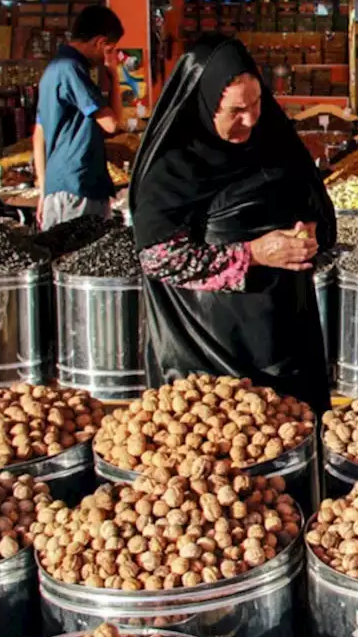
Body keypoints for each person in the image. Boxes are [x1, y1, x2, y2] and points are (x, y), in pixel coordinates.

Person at [129, 34, 334, 412]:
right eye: (236, 111)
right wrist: (253, 254)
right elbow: (159, 257)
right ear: (203, 106)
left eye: (257, 102)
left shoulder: (274, 140)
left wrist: (312, 232)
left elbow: (317, 207)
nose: (252, 119)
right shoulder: (174, 168)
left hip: (287, 334)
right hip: (212, 351)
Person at [33, 5, 124, 229]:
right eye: (111, 48)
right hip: (78, 183)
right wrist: (114, 74)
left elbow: (38, 135)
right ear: (100, 43)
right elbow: (112, 123)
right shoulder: (72, 69)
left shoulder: (54, 68)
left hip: (60, 185)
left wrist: (44, 191)